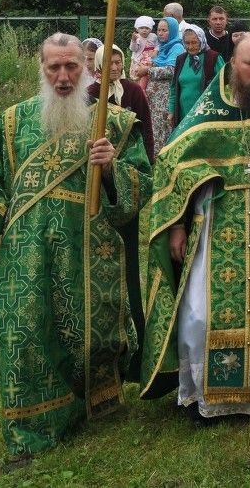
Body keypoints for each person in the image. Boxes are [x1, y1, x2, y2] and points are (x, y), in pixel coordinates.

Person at [0, 34, 152, 464]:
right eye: (54, 69)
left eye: (71, 68)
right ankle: (29, 430)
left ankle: (85, 404)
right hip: (24, 255)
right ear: (41, 70)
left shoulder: (113, 123)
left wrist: (111, 167)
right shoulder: (13, 121)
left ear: (86, 68)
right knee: (18, 330)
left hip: (86, 250)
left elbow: (143, 183)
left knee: (83, 335)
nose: (63, 77)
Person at [140, 34, 250, 422]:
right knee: (200, 316)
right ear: (232, 66)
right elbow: (173, 163)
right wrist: (176, 226)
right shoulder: (211, 110)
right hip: (215, 232)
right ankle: (208, 395)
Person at [87, 44, 155, 379]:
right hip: (93, 189)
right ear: (98, 66)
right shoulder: (87, 96)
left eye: (118, 61)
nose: (113, 66)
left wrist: (147, 171)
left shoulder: (133, 92)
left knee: (128, 265)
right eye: (108, 62)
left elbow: (147, 134)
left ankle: (134, 340)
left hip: (125, 184)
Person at [133, 17, 186, 153]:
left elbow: (172, 70)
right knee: (153, 130)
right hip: (154, 98)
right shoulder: (163, 47)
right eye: (159, 30)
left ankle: (160, 161)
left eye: (165, 30)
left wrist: (148, 70)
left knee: (161, 132)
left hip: (165, 98)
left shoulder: (177, 47)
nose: (161, 33)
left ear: (173, 31)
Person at [167, 25, 223, 129]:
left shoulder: (213, 58)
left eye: (194, 42)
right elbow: (174, 88)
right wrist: (171, 111)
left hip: (206, 115)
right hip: (183, 113)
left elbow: (224, 85)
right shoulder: (181, 59)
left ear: (201, 41)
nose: (190, 46)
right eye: (187, 43)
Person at [129, 15, 158, 86]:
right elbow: (133, 49)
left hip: (150, 60)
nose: (144, 30)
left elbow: (158, 45)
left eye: (147, 28)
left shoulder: (153, 36)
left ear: (150, 29)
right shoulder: (137, 37)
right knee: (137, 78)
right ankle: (138, 90)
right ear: (137, 29)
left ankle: (145, 90)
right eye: (141, 28)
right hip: (139, 60)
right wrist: (133, 41)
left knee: (147, 78)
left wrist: (156, 51)